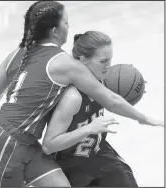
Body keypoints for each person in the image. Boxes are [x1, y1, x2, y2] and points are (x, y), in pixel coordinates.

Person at [0, 1, 163, 187]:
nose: (68, 28)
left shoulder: (18, 53)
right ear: (55, 31)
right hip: (6, 142)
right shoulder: (64, 63)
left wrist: (25, 90)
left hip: (26, 143)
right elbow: (111, 100)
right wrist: (143, 118)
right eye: (66, 23)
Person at [42, 31, 161, 187]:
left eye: (110, 59)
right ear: (83, 60)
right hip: (69, 167)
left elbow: (113, 101)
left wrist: (134, 97)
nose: (109, 66)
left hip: (98, 153)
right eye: (103, 61)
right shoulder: (72, 98)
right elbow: (48, 146)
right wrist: (89, 129)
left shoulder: (101, 79)